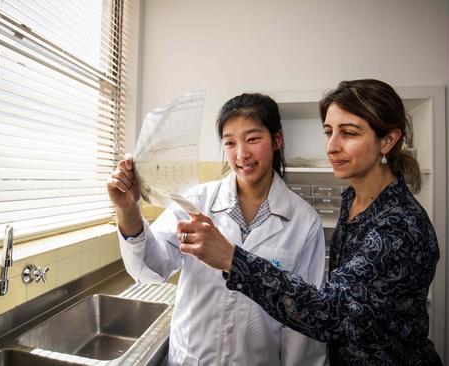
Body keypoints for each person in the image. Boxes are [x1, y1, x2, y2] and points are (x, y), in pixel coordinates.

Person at [177, 80, 443, 365]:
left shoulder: (398, 227)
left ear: (387, 140)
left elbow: (328, 312)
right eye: (329, 132)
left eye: (349, 133)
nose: (331, 146)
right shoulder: (354, 200)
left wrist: (232, 258)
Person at [107, 93, 328, 365]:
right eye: (230, 142)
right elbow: (150, 269)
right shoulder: (197, 202)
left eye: (253, 139)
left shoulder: (304, 223)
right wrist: (128, 210)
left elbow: (303, 327)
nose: (241, 154)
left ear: (277, 140)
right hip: (192, 359)